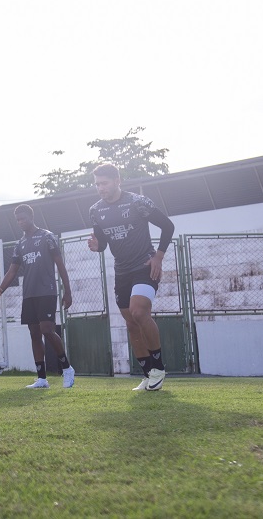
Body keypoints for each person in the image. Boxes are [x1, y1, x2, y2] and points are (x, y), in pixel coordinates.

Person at [87, 164, 176, 391]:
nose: (100, 188)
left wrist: (158, 256)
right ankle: (148, 374)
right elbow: (103, 243)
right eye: (97, 184)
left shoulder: (138, 202)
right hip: (121, 271)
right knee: (131, 323)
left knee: (139, 311)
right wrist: (97, 246)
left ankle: (158, 367)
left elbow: (167, 226)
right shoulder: (95, 210)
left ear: (117, 180)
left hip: (145, 265)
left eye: (104, 183)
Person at [0, 204, 76, 389]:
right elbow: (12, 272)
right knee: (34, 334)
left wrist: (67, 291)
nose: (21, 222)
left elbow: (60, 265)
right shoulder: (19, 244)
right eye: (18, 220)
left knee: (47, 330)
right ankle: (41, 378)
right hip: (29, 294)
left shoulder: (47, 237)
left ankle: (67, 368)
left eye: (23, 218)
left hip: (46, 291)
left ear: (31, 217)